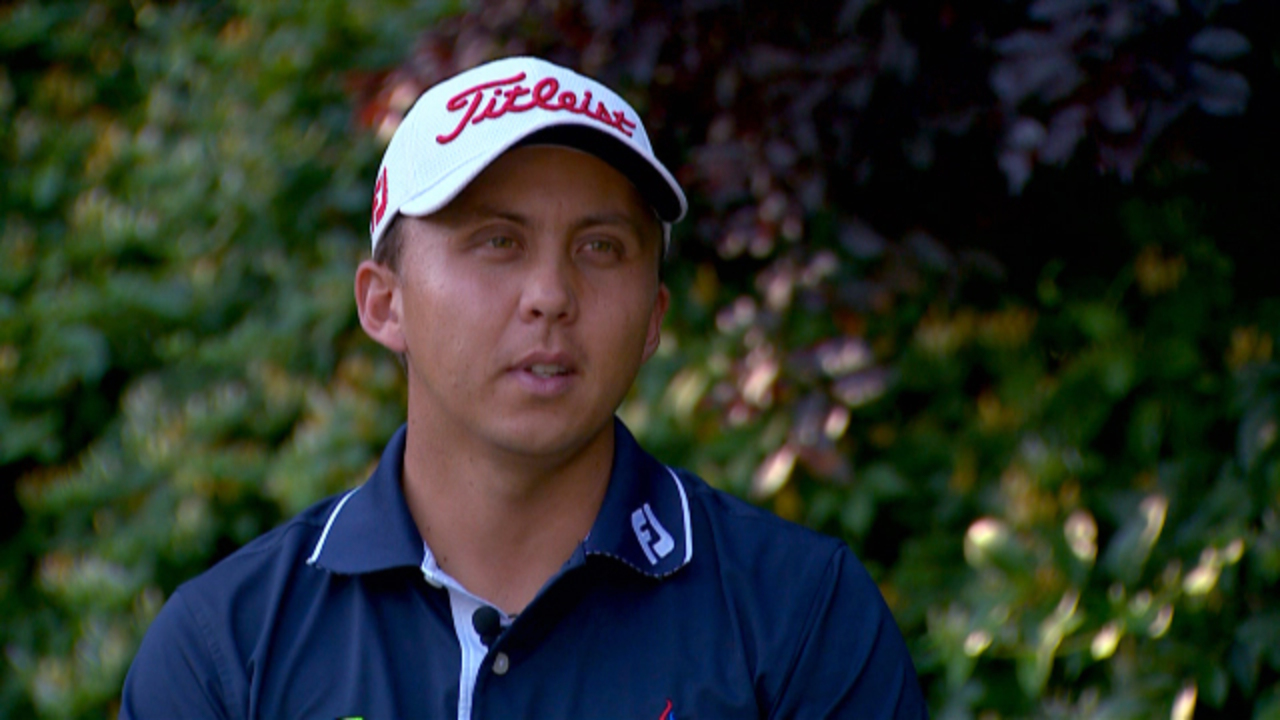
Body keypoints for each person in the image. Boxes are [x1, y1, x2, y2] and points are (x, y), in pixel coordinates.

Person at [120, 56, 928, 719]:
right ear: (383, 303)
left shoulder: (801, 616)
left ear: (653, 317)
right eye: (497, 241)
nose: (550, 294)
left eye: (600, 247)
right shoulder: (227, 647)